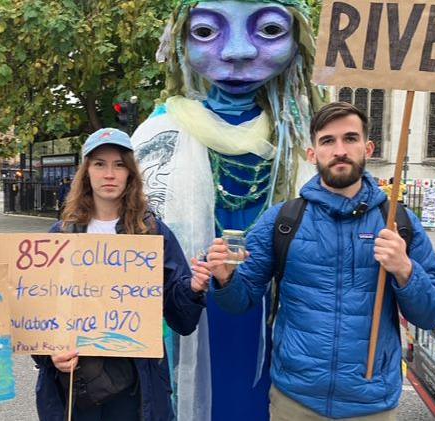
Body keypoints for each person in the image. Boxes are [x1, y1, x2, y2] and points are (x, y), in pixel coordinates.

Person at [130, 1, 324, 418]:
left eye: (269, 30)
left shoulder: (308, 137)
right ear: (181, 40)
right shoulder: (158, 133)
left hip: (273, 310)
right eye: (205, 32)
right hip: (190, 304)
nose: (238, 51)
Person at [199, 102, 435, 420]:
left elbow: (431, 314)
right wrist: (225, 278)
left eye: (350, 138)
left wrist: (405, 270)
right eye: (328, 141)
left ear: (368, 148)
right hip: (295, 401)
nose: (340, 150)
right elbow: (240, 301)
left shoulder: (398, 224)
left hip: (370, 404)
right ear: (312, 154)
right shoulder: (284, 220)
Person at [34, 128, 208, 421]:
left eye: (119, 164)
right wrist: (51, 355)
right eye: (99, 164)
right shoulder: (61, 235)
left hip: (136, 392)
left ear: (130, 173)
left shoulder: (153, 233)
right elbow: (39, 313)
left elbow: (181, 317)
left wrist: (193, 287)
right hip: (76, 390)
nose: (109, 174)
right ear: (86, 172)